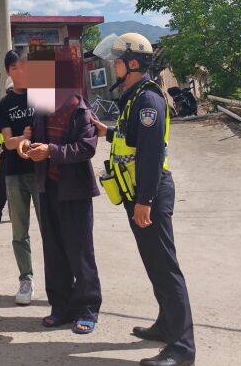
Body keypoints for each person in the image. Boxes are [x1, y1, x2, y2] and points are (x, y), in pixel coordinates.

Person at [92, 33, 195, 366]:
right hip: (138, 191)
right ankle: (166, 324)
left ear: (133, 63)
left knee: (165, 268)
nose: (114, 66)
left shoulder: (148, 100)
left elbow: (150, 153)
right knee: (154, 264)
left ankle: (182, 349)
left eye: (118, 61)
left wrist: (144, 201)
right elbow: (133, 138)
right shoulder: (134, 96)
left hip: (149, 192)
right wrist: (107, 132)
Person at [17, 46, 102, 335]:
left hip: (74, 191)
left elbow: (87, 147)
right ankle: (61, 307)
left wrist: (51, 151)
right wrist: (28, 146)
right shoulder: (41, 107)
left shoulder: (79, 107)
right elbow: (37, 138)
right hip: (48, 188)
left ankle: (87, 309)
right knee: (53, 251)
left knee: (79, 252)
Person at [0, 49, 41, 305]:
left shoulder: (42, 96)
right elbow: (8, 142)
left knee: (50, 228)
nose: (20, 72)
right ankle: (26, 279)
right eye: (15, 68)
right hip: (14, 173)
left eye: (25, 67)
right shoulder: (4, 105)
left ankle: (59, 278)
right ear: (8, 72)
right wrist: (23, 138)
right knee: (19, 231)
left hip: (42, 172)